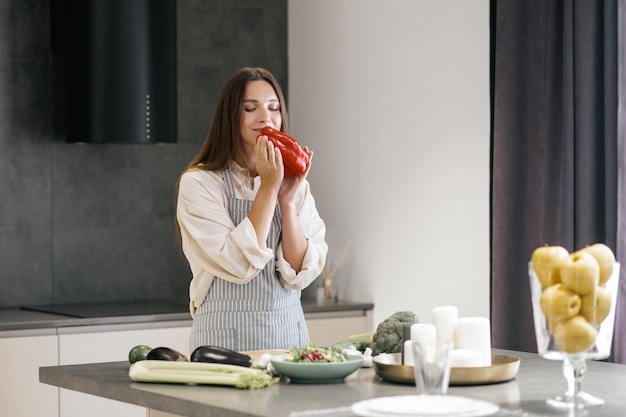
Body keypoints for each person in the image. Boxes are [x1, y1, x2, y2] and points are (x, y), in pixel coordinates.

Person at [176, 67, 328, 353]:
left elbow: (298, 272)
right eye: (250, 108)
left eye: (274, 108)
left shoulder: (295, 187)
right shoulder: (199, 183)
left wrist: (285, 201)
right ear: (230, 116)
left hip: (288, 339)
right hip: (223, 344)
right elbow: (238, 262)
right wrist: (268, 189)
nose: (265, 117)